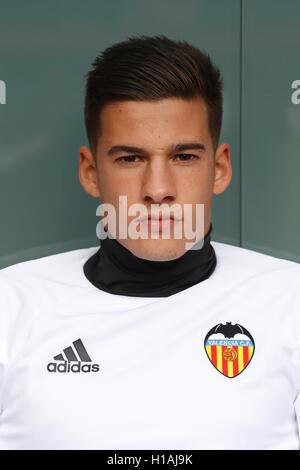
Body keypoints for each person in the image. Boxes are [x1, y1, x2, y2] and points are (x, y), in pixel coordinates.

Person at [0, 34, 299, 450]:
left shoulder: (290, 301)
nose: (157, 189)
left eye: (184, 157)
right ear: (90, 172)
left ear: (220, 169)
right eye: (130, 158)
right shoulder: (10, 308)